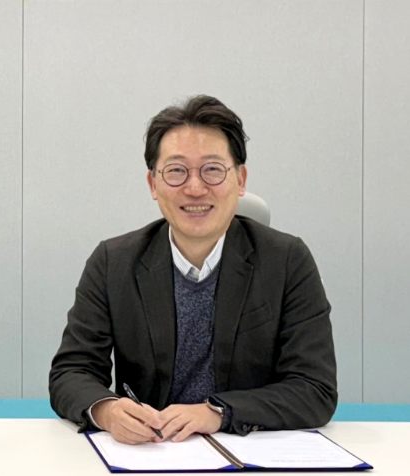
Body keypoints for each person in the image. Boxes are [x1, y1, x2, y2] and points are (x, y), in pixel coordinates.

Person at [49, 95, 337, 445]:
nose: (195, 188)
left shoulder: (288, 260)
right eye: (176, 171)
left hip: (246, 450)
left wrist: (217, 412)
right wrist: (108, 411)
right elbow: (71, 372)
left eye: (212, 169)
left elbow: (315, 388)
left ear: (240, 179)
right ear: (153, 185)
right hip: (149, 452)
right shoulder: (113, 262)